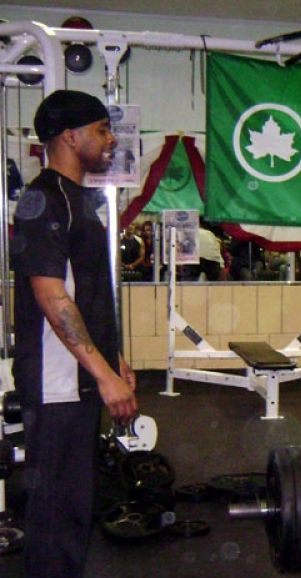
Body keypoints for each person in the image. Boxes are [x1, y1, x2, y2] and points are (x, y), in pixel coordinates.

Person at [11, 90, 138, 578]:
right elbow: (51, 297)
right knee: (56, 515)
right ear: (70, 135)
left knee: (73, 507)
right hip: (57, 383)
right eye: (102, 130)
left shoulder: (76, 202)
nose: (110, 140)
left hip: (78, 378)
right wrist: (104, 375)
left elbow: (82, 292)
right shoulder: (43, 201)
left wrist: (113, 358)